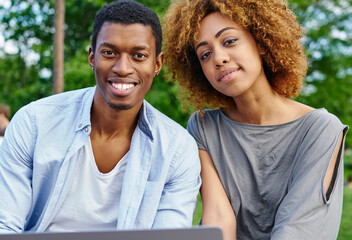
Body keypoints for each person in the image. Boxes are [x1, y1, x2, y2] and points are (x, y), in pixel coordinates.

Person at [0, 0, 201, 233]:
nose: (123, 68)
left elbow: (170, 236)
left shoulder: (177, 149)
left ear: (157, 64)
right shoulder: (33, 123)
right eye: (109, 52)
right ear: (92, 58)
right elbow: (5, 226)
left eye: (138, 55)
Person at [163, 0, 348, 239]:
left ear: (260, 42)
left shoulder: (320, 129)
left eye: (229, 41)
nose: (218, 58)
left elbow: (296, 229)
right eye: (205, 54)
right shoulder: (203, 127)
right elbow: (218, 218)